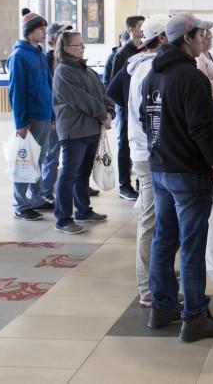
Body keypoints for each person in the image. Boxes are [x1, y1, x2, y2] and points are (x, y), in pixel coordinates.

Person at [141, 12, 213, 341]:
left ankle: (162, 308)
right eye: (202, 33)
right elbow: (201, 130)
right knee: (192, 246)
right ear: (187, 38)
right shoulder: (191, 78)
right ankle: (194, 318)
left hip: (160, 169)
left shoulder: (154, 75)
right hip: (187, 172)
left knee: (164, 240)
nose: (206, 39)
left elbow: (144, 118)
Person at [106, 16, 168, 305]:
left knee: (149, 212)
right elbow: (151, 114)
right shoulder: (148, 66)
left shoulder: (138, 63)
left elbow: (116, 93)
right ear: (164, 39)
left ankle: (153, 278)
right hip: (148, 151)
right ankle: (146, 288)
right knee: (150, 219)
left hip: (143, 148)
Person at [51, 30, 115, 234]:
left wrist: (110, 110)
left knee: (83, 174)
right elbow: (81, 100)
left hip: (90, 130)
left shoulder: (87, 70)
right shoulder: (63, 71)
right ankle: (62, 218)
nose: (83, 47)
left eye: (82, 44)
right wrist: (102, 114)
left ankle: (83, 211)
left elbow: (102, 93)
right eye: (79, 45)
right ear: (67, 49)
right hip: (74, 131)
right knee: (69, 174)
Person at [6, 11, 56, 221]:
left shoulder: (39, 54)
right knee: (25, 160)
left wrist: (53, 114)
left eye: (45, 28)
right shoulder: (19, 56)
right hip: (31, 118)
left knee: (41, 158)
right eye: (40, 29)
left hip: (44, 116)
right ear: (29, 31)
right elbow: (16, 91)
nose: (45, 32)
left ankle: (36, 198)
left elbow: (48, 86)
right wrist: (20, 122)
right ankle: (21, 204)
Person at [109, 16, 146, 201]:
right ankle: (124, 185)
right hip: (126, 108)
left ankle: (141, 182)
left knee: (141, 144)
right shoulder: (123, 53)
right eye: (140, 26)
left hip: (141, 108)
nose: (142, 30)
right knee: (124, 145)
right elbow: (113, 84)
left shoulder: (145, 49)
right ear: (131, 28)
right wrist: (126, 105)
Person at [41, 22, 72, 202]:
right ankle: (46, 191)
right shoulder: (46, 59)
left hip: (69, 116)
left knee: (69, 155)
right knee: (51, 155)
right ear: (52, 39)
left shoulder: (68, 60)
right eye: (62, 34)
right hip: (54, 115)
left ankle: (75, 186)